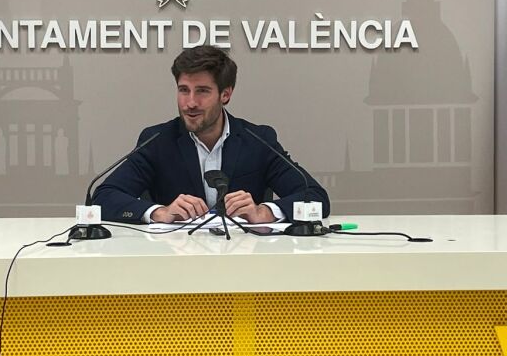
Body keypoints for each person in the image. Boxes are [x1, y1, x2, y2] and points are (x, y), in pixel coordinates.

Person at [92, 45, 330, 224]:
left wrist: (265, 212)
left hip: (245, 260)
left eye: (202, 91)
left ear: (225, 94)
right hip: (174, 261)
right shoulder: (157, 141)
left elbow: (316, 197)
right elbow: (103, 198)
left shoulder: (257, 140)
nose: (190, 103)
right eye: (184, 90)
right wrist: (159, 212)